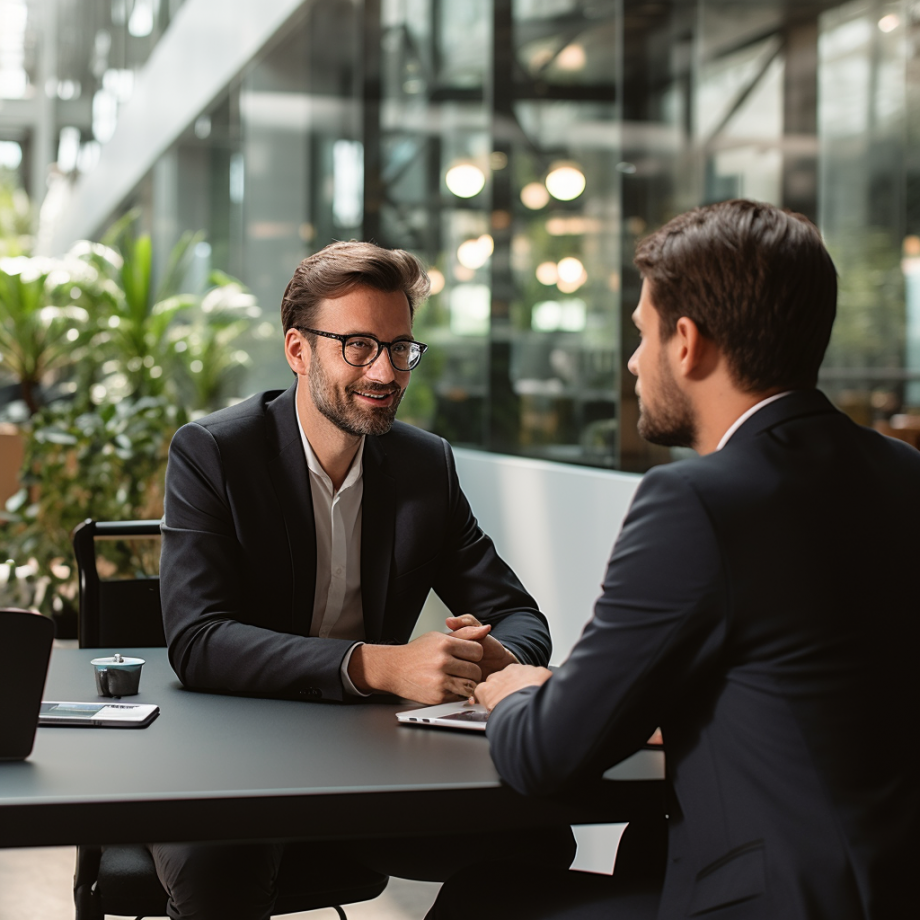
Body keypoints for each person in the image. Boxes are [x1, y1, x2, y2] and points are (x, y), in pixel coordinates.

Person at [431, 199, 920, 920]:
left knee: (484, 898)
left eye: (642, 333)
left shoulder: (698, 501)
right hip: (886, 888)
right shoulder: (902, 474)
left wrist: (510, 693)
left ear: (686, 343)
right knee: (640, 853)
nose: (634, 362)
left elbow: (545, 756)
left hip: (779, 900)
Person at [152, 240, 575, 920]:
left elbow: (520, 616)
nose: (385, 371)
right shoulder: (216, 453)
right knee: (220, 869)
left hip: (368, 759)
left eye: (400, 347)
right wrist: (380, 665)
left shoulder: (423, 465)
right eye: (358, 346)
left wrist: (497, 660)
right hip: (232, 753)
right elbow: (199, 640)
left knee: (538, 837)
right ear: (298, 350)